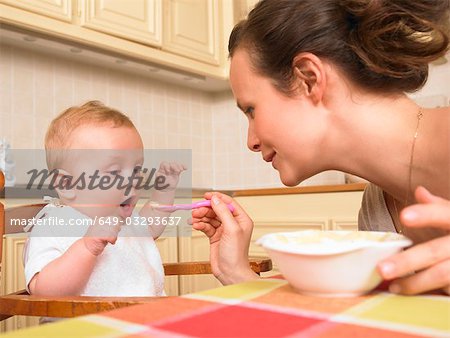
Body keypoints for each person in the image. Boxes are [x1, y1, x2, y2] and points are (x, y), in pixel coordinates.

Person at [192, 0, 450, 295]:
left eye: (250, 110)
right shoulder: (378, 206)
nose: (250, 141)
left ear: (308, 78)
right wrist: (235, 272)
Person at [24, 100, 186, 298]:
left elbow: (150, 226)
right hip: (85, 326)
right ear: (66, 184)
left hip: (145, 317)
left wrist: (165, 187)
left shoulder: (122, 216)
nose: (132, 180)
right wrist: (87, 246)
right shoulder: (54, 226)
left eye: (136, 169)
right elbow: (43, 292)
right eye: (114, 171)